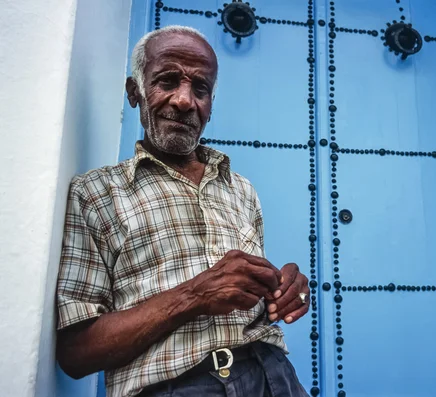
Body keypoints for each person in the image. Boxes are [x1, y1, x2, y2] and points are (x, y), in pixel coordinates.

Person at [55, 25, 311, 397]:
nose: (184, 100)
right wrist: (193, 296)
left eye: (201, 89)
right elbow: (75, 353)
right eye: (167, 80)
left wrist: (285, 291)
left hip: (276, 377)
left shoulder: (241, 189)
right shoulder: (95, 194)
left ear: (210, 105)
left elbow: (252, 296)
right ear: (134, 92)